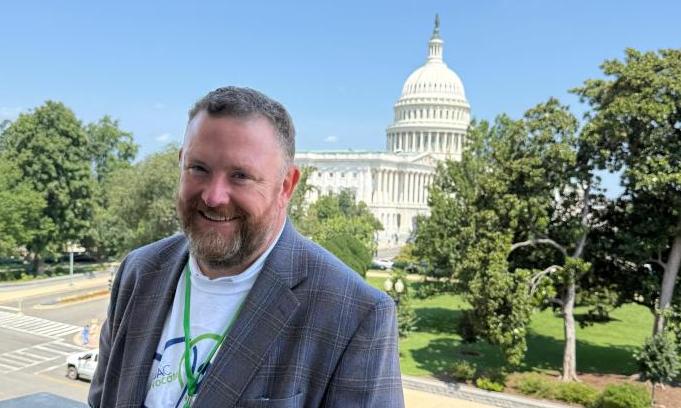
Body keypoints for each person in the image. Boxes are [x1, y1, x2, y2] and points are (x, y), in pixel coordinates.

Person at [88, 86, 404, 407]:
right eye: (199, 168)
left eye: (240, 176)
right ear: (181, 163)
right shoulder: (139, 271)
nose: (213, 196)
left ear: (286, 186)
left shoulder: (354, 315)